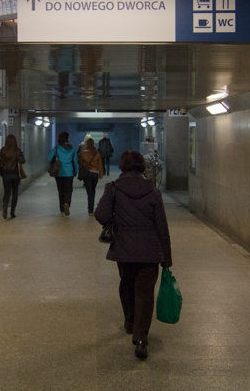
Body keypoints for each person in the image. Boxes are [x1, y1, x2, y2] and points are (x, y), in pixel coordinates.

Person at [94, 151, 172, 361]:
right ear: (142, 167)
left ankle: (130, 322)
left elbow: (100, 214)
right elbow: (162, 226)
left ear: (122, 167)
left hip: (124, 249)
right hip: (149, 250)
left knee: (127, 284)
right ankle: (141, 339)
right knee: (145, 293)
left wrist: (115, 219)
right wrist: (167, 258)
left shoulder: (114, 188)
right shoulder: (153, 190)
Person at [48, 131, 78, 216]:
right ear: (67, 139)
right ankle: (67, 203)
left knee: (61, 191)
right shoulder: (72, 149)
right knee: (68, 190)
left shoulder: (56, 148)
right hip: (69, 172)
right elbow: (75, 161)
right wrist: (75, 171)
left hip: (59, 172)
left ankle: (61, 208)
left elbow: (49, 158)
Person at [0, 134, 25, 219]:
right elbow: (23, 161)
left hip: (6, 175)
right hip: (15, 175)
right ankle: (12, 212)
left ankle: (5, 209)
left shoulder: (3, 151)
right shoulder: (17, 151)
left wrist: (2, 174)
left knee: (6, 193)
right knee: (15, 194)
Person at [79, 137, 104, 214]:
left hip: (87, 174)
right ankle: (91, 207)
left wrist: (80, 173)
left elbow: (80, 165)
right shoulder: (97, 153)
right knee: (93, 190)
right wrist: (101, 173)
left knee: (89, 192)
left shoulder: (83, 153)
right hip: (95, 173)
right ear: (93, 144)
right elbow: (100, 164)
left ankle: (90, 208)